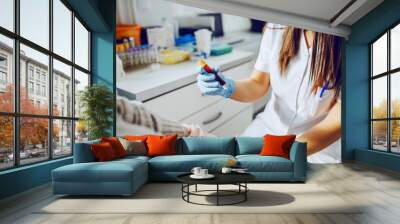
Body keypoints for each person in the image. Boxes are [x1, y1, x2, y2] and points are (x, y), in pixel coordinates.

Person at [197, 23, 342, 163]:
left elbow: (339, 118)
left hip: (317, 144)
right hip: (269, 128)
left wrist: (287, 150)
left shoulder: (348, 41)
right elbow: (258, 84)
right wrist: (229, 87)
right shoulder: (276, 28)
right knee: (235, 168)